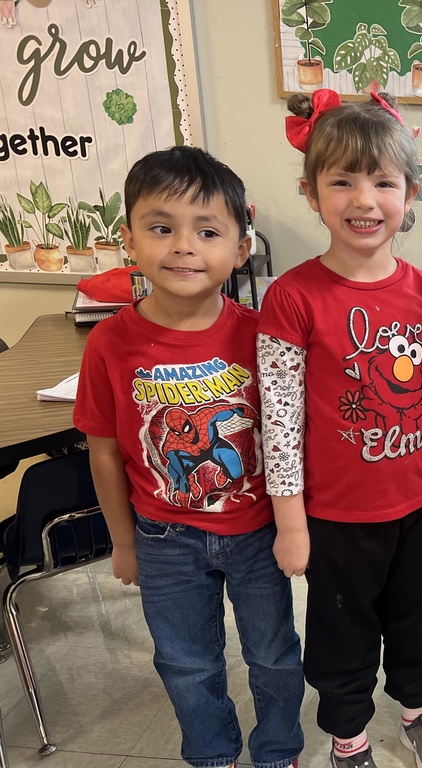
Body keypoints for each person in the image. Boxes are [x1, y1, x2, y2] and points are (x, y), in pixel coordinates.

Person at [74, 146, 304, 768]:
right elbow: (103, 450)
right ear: (129, 240)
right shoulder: (110, 342)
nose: (183, 246)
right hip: (163, 535)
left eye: (207, 231)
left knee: (275, 653)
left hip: (256, 531)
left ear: (241, 245)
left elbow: (290, 434)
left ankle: (279, 750)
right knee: (184, 660)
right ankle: (212, 754)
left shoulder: (262, 334)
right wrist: (122, 540)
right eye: (161, 227)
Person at [258, 89, 422, 768]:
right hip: (335, 517)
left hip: (416, 508)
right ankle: (348, 739)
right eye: (342, 180)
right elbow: (281, 420)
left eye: (383, 181)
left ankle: (416, 714)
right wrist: (291, 523)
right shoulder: (290, 297)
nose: (364, 199)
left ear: (410, 193)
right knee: (341, 637)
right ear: (311, 192)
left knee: (417, 625)